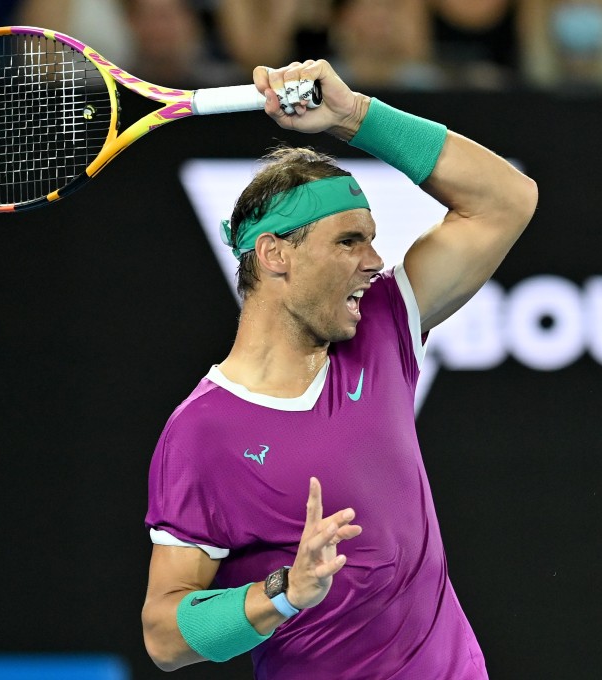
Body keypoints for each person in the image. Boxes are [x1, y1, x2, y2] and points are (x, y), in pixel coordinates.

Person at [140, 58, 537, 678]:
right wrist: (283, 594)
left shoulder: (385, 326)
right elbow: (165, 635)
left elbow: (506, 199)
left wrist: (353, 116)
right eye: (349, 241)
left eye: (373, 239)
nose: (376, 261)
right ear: (275, 254)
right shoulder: (202, 433)